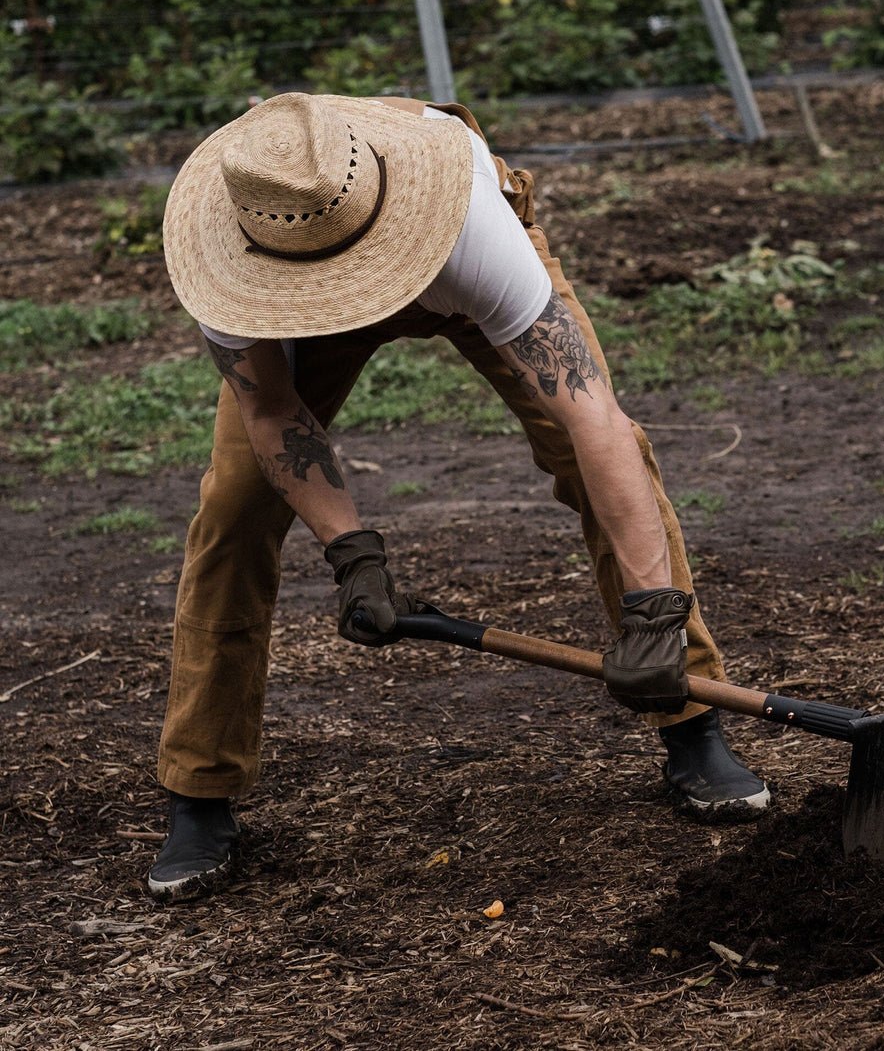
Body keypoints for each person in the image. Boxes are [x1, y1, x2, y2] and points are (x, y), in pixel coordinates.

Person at [150, 92, 770, 900]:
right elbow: (270, 412)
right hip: (287, 302)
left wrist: (656, 608)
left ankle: (692, 722)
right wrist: (352, 551)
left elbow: (596, 422)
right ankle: (199, 793)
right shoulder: (228, 248)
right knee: (233, 509)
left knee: (609, 460)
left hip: (439, 259)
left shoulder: (471, 226)